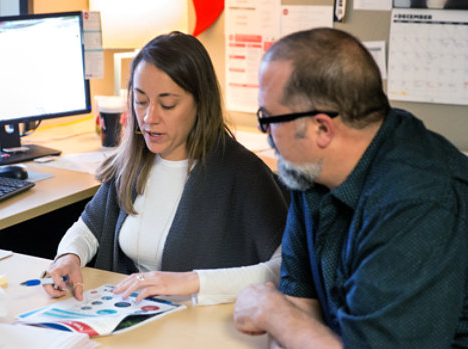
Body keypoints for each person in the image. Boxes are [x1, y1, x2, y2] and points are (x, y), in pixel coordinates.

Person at [233, 27, 468, 348]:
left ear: (321, 128)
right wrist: (284, 320)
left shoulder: (420, 201)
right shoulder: (309, 168)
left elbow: (290, 319)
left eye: (269, 119)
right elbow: (300, 303)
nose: (267, 135)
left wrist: (271, 312)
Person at [43, 31, 289, 305]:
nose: (149, 118)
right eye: (141, 101)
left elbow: (285, 269)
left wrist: (192, 281)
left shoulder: (242, 173)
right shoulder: (133, 162)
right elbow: (89, 228)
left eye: (167, 104)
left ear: (200, 104)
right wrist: (69, 256)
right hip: (134, 314)